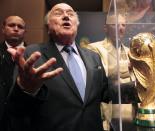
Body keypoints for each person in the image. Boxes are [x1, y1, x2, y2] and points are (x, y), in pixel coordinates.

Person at [7, 3, 109, 131]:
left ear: (76, 24)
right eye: (58, 13)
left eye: (70, 14)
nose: (66, 16)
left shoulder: (93, 56)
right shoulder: (32, 54)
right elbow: (15, 109)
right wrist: (26, 89)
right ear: (48, 26)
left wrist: (136, 79)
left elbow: (106, 93)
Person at [86, 14, 137, 131]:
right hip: (108, 116)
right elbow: (99, 76)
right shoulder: (93, 49)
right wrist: (127, 66)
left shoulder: (131, 52)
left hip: (132, 116)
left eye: (123, 25)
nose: (120, 28)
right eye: (115, 25)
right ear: (105, 28)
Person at [0, 15, 26, 130]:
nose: (16, 29)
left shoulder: (36, 54)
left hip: (26, 118)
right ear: (3, 29)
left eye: (20, 27)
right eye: (11, 25)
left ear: (25, 31)